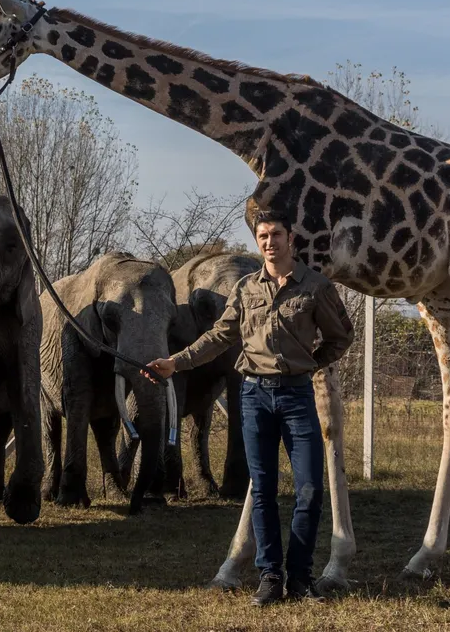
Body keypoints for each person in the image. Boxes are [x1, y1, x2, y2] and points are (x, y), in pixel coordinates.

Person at [147, 209, 354, 606]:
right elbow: (219, 337)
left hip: (296, 397)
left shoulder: (316, 287)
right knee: (262, 490)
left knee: (310, 489)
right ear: (257, 242)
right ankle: (270, 576)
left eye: (276, 234)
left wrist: (312, 361)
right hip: (254, 397)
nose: (269, 242)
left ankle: (300, 578)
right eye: (262, 236)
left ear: (290, 238)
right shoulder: (246, 289)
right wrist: (176, 362)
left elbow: (341, 334)